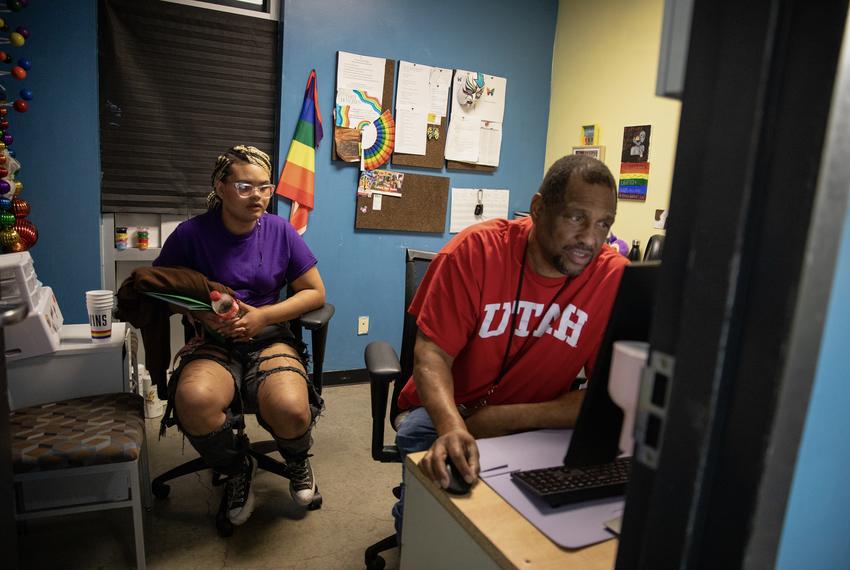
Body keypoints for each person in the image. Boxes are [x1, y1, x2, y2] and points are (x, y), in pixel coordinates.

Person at [392, 154, 628, 531]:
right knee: (435, 522)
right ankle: (413, 520)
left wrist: (504, 417)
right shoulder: (474, 252)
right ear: (538, 209)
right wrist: (455, 425)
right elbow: (431, 354)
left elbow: (612, 397)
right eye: (575, 217)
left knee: (537, 523)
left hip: (537, 414)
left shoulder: (613, 279)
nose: (590, 238)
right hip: (453, 408)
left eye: (604, 224)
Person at [153, 145, 326, 526]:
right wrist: (201, 314)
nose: (259, 197)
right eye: (246, 187)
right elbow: (158, 289)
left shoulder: (280, 230)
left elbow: (315, 292)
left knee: (293, 408)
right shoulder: (190, 234)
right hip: (213, 340)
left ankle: (296, 460)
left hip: (268, 335)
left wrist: (263, 316)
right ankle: (236, 467)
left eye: (265, 187)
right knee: (194, 400)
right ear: (221, 185)